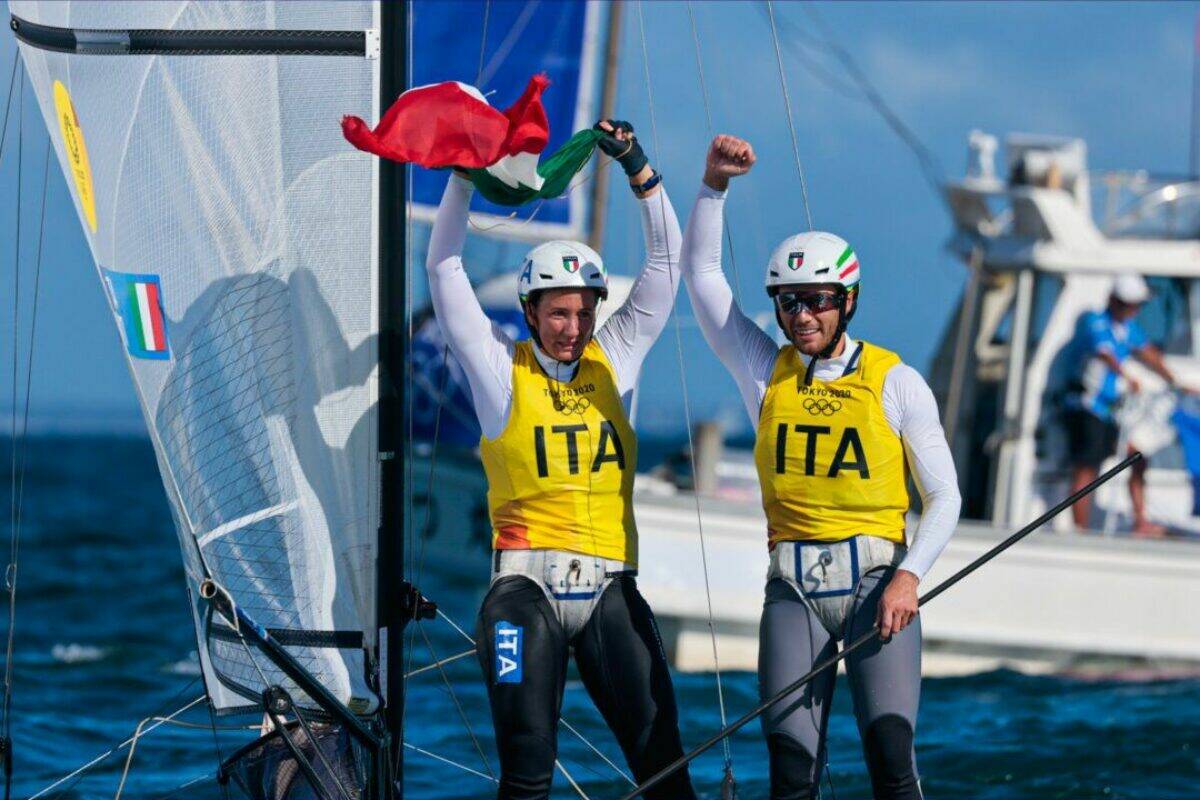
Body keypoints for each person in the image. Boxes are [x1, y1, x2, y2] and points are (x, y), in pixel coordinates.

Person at [680, 135, 962, 800]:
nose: (801, 316)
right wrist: (713, 186)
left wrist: (908, 578)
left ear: (847, 301)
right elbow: (702, 277)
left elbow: (944, 496)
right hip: (794, 589)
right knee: (789, 769)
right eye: (788, 302)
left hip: (876, 588)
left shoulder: (896, 381)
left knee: (890, 757)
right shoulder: (762, 369)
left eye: (817, 300)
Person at [425, 119, 695, 800]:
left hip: (608, 589)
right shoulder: (498, 370)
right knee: (527, 772)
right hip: (524, 594)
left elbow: (667, 268)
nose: (573, 329)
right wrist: (462, 177)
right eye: (558, 314)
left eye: (584, 312)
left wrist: (639, 167)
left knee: (665, 767)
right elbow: (443, 269)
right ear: (530, 309)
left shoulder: (619, 357)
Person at [1064, 274, 1184, 536]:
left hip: (1110, 413)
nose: (1136, 310)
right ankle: (1079, 529)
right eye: (1132, 305)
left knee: (1136, 458)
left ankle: (1140, 521)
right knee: (1087, 467)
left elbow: (1147, 352)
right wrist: (1127, 377)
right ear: (1117, 302)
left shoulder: (1127, 328)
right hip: (1087, 408)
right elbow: (1104, 354)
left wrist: (1174, 380)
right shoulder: (1094, 322)